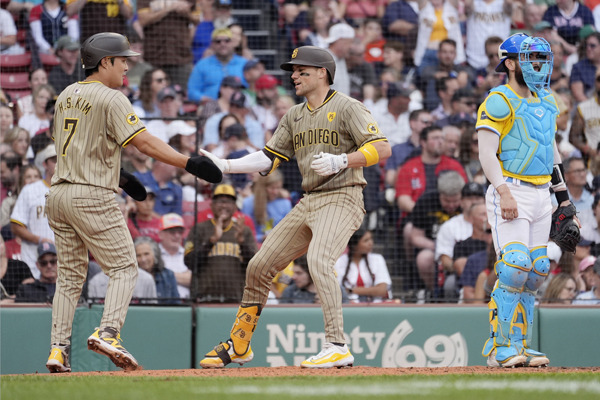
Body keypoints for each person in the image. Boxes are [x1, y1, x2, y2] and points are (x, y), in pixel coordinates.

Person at [197, 45, 391, 369]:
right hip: (309, 199)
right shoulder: (294, 115)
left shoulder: (347, 106)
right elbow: (269, 157)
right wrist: (227, 166)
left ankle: (337, 344)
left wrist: (344, 159)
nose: (294, 75)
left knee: (318, 259)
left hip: (343, 195)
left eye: (301, 70)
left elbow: (381, 147)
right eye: (293, 70)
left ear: (322, 73)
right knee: (259, 266)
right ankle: (240, 343)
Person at [44, 32, 222, 374]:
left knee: (68, 278)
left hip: (59, 193)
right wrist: (188, 163)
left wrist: (121, 175)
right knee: (125, 268)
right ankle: (108, 332)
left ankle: (58, 349)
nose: (127, 66)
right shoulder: (113, 98)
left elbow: (77, 143)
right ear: (105, 62)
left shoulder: (66, 94)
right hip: (91, 193)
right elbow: (144, 142)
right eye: (122, 60)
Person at [476, 33, 573, 368]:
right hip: (511, 187)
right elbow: (486, 154)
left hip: (541, 191)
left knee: (536, 271)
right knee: (515, 265)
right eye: (531, 59)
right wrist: (502, 191)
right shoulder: (498, 99)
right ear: (511, 63)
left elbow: (551, 150)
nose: (538, 65)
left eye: (542, 59)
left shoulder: (546, 99)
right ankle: (498, 347)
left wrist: (564, 199)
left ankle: (521, 345)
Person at [184, 184, 257, 303]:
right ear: (212, 205)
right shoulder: (199, 229)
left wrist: (242, 243)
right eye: (220, 201)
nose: (224, 205)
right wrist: (211, 240)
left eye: (228, 202)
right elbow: (189, 262)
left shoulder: (243, 230)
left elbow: (255, 266)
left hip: (236, 299)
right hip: (204, 299)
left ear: (234, 207)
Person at [10, 144, 56, 278]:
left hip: (62, 263)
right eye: (54, 160)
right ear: (45, 164)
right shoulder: (30, 190)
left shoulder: (71, 191)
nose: (59, 164)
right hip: (33, 259)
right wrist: (40, 239)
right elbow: (15, 226)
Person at [137, 0, 199, 89]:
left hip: (180, 56)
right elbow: (143, 20)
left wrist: (186, 13)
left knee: (182, 94)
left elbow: (197, 19)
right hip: (154, 56)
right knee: (153, 93)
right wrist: (168, 9)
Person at [187, 27, 248, 103]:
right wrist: (205, 99)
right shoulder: (202, 65)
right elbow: (192, 92)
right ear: (212, 44)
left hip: (239, 107)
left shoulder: (244, 63)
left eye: (227, 41)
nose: (222, 44)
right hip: (210, 108)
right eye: (218, 41)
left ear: (232, 43)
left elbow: (251, 89)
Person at [334, 226, 392, 303]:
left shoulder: (378, 259)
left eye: (371, 239)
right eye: (366, 240)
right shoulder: (339, 261)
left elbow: (381, 290)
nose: (371, 243)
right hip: (347, 306)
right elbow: (337, 290)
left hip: (375, 307)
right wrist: (371, 290)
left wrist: (351, 290)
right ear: (354, 245)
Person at [241, 170, 292, 244]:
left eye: (278, 188)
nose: (275, 192)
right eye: (272, 188)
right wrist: (261, 238)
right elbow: (245, 233)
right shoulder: (248, 203)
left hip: (279, 244)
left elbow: (289, 231)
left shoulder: (285, 203)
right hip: (255, 245)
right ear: (263, 187)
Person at [134, 236, 180, 304]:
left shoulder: (168, 276)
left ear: (155, 254)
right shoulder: (131, 278)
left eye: (146, 254)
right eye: (138, 255)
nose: (143, 259)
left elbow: (177, 305)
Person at [158, 213, 191, 299]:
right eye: (172, 232)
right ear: (160, 234)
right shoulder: (154, 253)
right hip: (161, 303)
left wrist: (165, 275)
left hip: (186, 303)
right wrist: (183, 277)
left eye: (180, 232)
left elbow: (194, 281)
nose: (177, 236)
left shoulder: (189, 254)